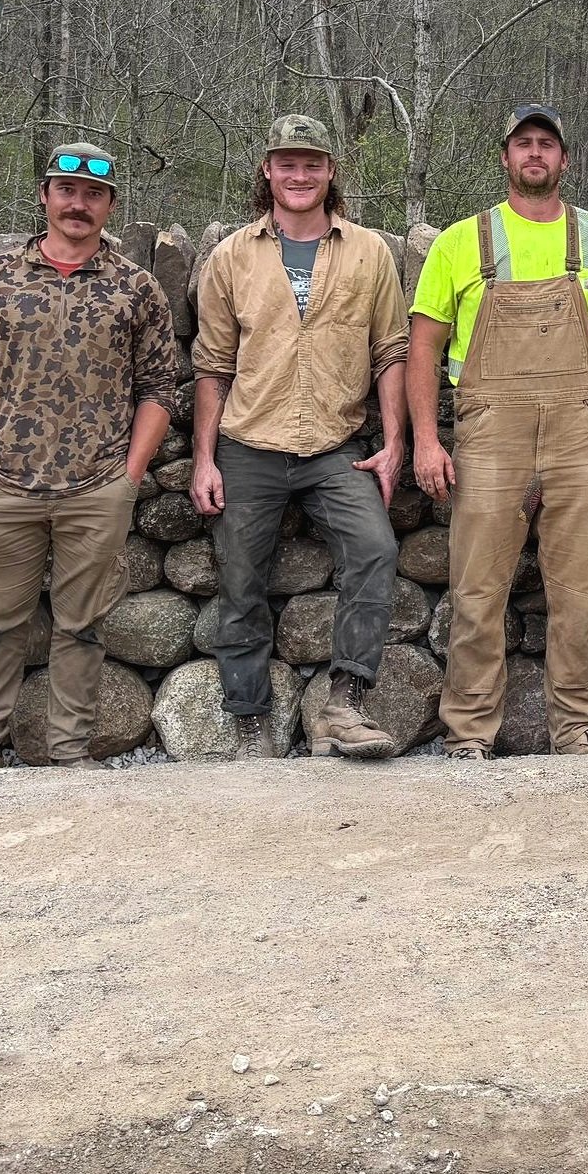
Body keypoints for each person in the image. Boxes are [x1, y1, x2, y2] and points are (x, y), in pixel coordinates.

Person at [408, 106, 588, 758]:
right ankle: (467, 733)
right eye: (523, 144)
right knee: (477, 589)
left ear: (564, 158)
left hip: (579, 431)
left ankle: (577, 728)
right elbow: (423, 347)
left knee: (579, 589)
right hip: (489, 432)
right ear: (505, 157)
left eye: (546, 143)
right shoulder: (461, 241)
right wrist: (427, 439)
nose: (534, 153)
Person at [0, 142, 187, 770]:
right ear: (45, 196)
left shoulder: (135, 287)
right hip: (3, 484)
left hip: (97, 486)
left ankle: (69, 755)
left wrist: (129, 476)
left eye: (93, 195)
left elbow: (160, 386)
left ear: (110, 204)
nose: (78, 205)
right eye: (66, 190)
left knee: (81, 627)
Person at [192, 115, 409, 760]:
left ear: (330, 171)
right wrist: (203, 459)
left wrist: (394, 443)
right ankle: (250, 720)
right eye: (287, 163)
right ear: (267, 171)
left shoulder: (369, 252)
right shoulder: (233, 256)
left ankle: (345, 703)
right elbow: (212, 366)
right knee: (240, 578)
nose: (299, 175)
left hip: (335, 447)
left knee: (374, 549)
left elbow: (390, 351)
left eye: (312, 163)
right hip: (248, 445)